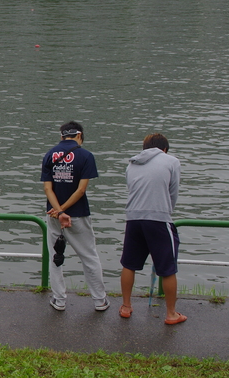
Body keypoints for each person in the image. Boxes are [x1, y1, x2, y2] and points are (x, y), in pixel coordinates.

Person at [41, 121, 110, 311]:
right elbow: (81, 190)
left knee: (56, 256)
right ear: (79, 135)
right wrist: (64, 210)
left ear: (62, 135)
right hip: (78, 215)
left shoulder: (50, 154)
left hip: (54, 216)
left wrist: (59, 211)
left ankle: (59, 299)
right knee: (89, 257)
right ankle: (99, 300)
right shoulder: (86, 156)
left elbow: (48, 188)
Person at [119, 133, 185, 325]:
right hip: (158, 218)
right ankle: (171, 314)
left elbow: (131, 187)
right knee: (168, 268)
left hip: (133, 217)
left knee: (129, 264)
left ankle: (126, 306)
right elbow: (173, 191)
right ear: (164, 149)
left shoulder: (132, 163)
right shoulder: (171, 161)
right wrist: (167, 210)